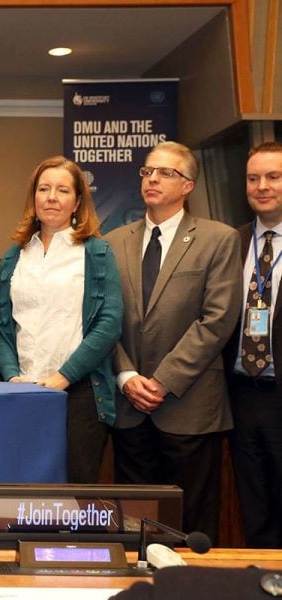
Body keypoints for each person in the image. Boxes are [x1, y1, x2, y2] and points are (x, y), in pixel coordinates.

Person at [105, 141, 241, 542]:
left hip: (189, 405)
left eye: (166, 173)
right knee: (133, 529)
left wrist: (162, 381)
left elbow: (216, 321)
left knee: (192, 526)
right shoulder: (113, 243)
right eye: (148, 172)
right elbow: (102, 319)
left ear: (188, 186)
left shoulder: (219, 239)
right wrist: (127, 375)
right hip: (129, 407)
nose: (153, 179)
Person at [0, 156, 123, 483]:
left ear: (77, 201)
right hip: (23, 391)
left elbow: (108, 324)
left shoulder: (97, 253)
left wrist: (64, 376)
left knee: (74, 496)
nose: (51, 197)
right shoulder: (14, 255)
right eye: (44, 189)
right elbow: (4, 328)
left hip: (79, 392)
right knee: (23, 491)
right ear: (33, 198)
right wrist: (11, 377)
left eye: (62, 190)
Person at [224, 142, 282, 548]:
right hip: (241, 394)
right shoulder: (231, 242)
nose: (262, 186)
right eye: (253, 178)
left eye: (274, 176)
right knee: (254, 505)